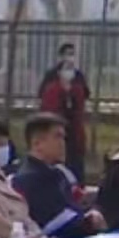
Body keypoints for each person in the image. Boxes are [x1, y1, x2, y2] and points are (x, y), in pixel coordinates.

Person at [13, 113, 107, 238]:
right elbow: (53, 226)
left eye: (63, 138)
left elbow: (76, 205)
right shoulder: (29, 178)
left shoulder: (59, 172)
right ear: (37, 143)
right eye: (57, 137)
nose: (63, 144)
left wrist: (94, 212)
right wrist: (89, 223)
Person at [38, 51, 91, 179]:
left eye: (71, 68)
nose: (68, 72)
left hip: (74, 136)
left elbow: (80, 111)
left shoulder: (77, 89)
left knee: (76, 170)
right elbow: (49, 111)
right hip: (57, 132)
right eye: (66, 68)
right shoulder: (52, 90)